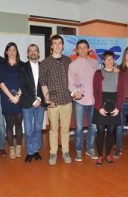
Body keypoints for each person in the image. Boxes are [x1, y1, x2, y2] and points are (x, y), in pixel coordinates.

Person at [39, 34, 72, 165]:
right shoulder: (45, 63)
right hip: (52, 101)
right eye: (55, 43)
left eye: (60, 43)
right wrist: (47, 98)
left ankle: (65, 151)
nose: (57, 45)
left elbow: (73, 79)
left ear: (63, 45)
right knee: (53, 129)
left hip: (67, 100)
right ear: (51, 46)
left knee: (65, 129)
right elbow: (43, 82)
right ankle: (53, 153)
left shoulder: (68, 60)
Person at [68, 39, 99, 161]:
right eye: (80, 47)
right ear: (76, 50)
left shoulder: (95, 63)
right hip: (79, 101)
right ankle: (79, 150)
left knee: (93, 126)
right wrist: (75, 93)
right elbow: (70, 84)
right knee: (79, 127)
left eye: (85, 47)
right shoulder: (72, 65)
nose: (82, 49)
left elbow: (99, 80)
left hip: (94, 100)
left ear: (88, 49)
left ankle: (90, 148)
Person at [93, 50, 120, 166]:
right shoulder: (98, 73)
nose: (109, 61)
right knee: (100, 131)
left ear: (114, 60)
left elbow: (121, 91)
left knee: (111, 131)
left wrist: (118, 107)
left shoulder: (119, 73)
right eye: (107, 59)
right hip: (101, 103)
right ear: (103, 61)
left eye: (111, 59)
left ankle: (108, 155)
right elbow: (95, 91)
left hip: (114, 104)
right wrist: (99, 107)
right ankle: (99, 156)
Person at [20, 44, 45, 163]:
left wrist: (39, 98)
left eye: (35, 50)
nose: (33, 52)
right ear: (27, 54)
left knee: (38, 128)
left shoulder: (44, 66)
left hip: (41, 102)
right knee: (29, 129)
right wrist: (33, 100)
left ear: (39, 53)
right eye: (30, 51)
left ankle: (36, 150)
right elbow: (22, 86)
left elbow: (46, 84)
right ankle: (30, 152)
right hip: (27, 102)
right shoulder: (22, 67)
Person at [0, 42, 23, 159]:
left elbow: (24, 82)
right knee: (9, 125)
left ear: (16, 51)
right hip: (6, 98)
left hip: (20, 98)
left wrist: (17, 95)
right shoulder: (2, 65)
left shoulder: (22, 65)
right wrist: (11, 97)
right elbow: (1, 84)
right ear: (6, 52)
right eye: (10, 50)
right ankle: (11, 148)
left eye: (14, 50)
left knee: (18, 124)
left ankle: (19, 146)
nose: (12, 52)